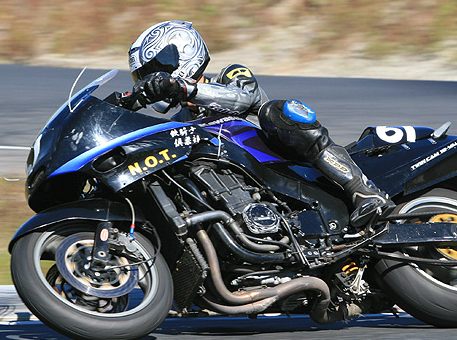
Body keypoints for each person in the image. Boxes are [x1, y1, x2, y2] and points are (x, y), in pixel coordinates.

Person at [113, 20, 394, 228]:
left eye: (155, 71)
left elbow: (243, 98)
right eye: (144, 77)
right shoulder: (179, 125)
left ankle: (362, 190)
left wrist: (183, 88)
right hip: (244, 191)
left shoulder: (231, 75)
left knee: (281, 111)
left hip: (284, 163)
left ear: (181, 54)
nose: (152, 80)